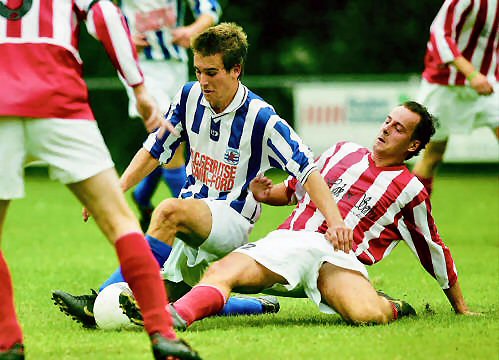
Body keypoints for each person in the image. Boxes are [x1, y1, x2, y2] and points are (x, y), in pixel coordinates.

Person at [52, 21, 353, 331]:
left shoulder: (260, 117)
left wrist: (337, 222)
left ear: (236, 69)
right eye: (198, 71)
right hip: (194, 214)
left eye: (212, 73)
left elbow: (307, 168)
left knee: (168, 211)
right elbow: (155, 148)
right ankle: (255, 306)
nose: (203, 81)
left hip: (231, 222)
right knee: (164, 300)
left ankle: (98, 299)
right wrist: (115, 190)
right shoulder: (188, 97)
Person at [120, 101, 477, 330]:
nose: (385, 128)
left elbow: (433, 249)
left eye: (398, 128)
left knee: (366, 315)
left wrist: (459, 307)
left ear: (413, 145)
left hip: (338, 260)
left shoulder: (410, 189)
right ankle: (170, 315)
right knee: (220, 271)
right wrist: (267, 193)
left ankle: (394, 306)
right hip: (290, 242)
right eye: (387, 121)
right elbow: (294, 189)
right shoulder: (341, 151)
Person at [0, 0, 200, 359]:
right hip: (58, 98)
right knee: (120, 221)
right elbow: (107, 16)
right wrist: (140, 90)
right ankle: (161, 333)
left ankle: (7, 340)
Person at [118, 0, 222, 231]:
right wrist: (120, 39)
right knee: (167, 133)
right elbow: (95, 13)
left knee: (173, 140)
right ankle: (191, 219)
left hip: (175, 65)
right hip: (140, 67)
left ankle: (142, 195)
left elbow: (210, 9)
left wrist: (192, 30)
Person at [412, 0, 498, 195]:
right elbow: (439, 33)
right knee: (432, 155)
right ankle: (408, 218)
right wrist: (472, 74)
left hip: (489, 85)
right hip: (445, 85)